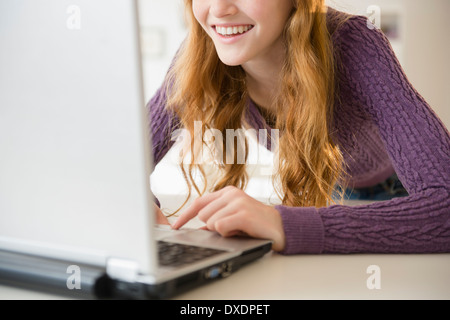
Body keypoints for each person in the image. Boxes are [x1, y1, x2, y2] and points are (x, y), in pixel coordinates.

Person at [148, 0, 450, 254]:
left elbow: (444, 207)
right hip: (331, 189)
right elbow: (124, 163)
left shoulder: (354, 42)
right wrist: (138, 208)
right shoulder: (200, 53)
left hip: (398, 193)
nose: (220, 9)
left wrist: (284, 224)